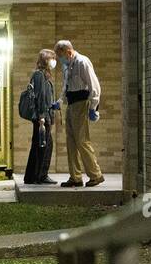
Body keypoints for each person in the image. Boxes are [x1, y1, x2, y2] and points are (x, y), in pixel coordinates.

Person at [54, 39, 104, 188]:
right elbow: (66, 85)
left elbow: (94, 85)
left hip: (82, 103)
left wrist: (93, 107)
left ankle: (96, 175)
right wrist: (60, 100)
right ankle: (75, 177)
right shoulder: (67, 66)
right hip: (71, 103)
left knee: (82, 140)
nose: (59, 59)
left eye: (60, 55)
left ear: (68, 52)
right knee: (71, 141)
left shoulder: (82, 62)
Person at [24, 49, 57, 185]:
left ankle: (35, 176)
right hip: (42, 117)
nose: (54, 61)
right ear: (46, 60)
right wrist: (42, 116)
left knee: (43, 145)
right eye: (52, 58)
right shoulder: (39, 75)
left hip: (44, 115)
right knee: (42, 145)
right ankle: (38, 176)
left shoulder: (43, 75)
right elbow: (41, 97)